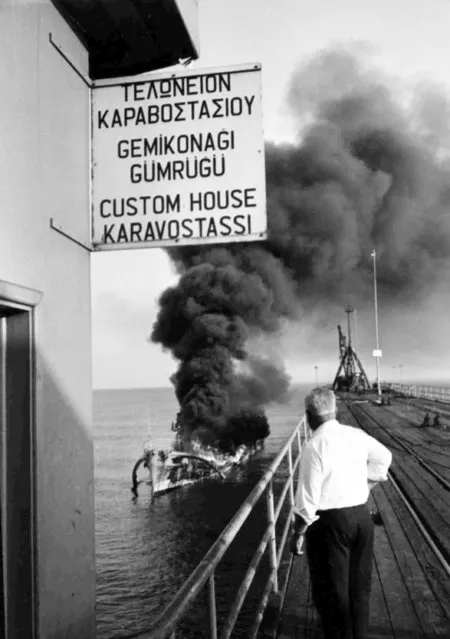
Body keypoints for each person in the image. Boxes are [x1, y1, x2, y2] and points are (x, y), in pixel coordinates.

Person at [291, 387, 392, 639]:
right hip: (361, 519)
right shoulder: (356, 434)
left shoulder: (313, 446)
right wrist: (367, 482)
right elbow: (384, 457)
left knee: (333, 594)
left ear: (309, 417)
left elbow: (307, 501)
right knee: (359, 589)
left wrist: (297, 535)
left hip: (330, 526)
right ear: (335, 410)